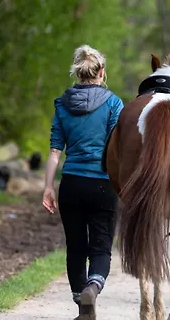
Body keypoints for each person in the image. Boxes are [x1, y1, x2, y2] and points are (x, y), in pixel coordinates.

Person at [42, 45, 123, 320]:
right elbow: (117, 149)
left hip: (72, 184)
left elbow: (55, 151)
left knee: (75, 246)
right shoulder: (114, 104)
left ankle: (83, 307)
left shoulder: (62, 105)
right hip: (102, 184)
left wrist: (48, 187)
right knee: (101, 246)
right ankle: (93, 286)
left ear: (77, 72)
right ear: (101, 71)